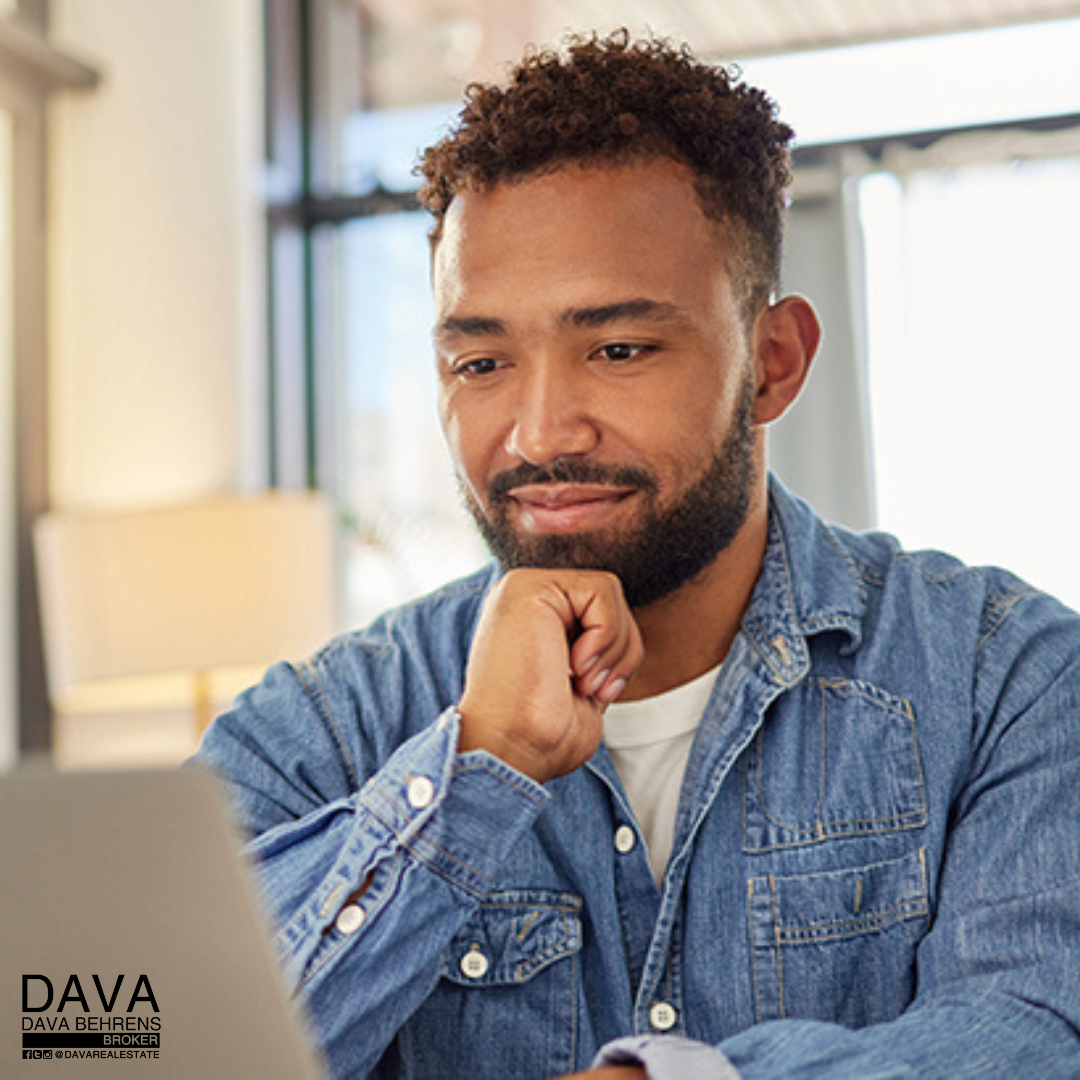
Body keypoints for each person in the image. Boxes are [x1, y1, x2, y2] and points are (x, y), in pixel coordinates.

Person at [194, 30, 1080, 1079]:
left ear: (774, 363)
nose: (538, 434)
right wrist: (474, 774)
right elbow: (148, 1052)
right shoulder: (318, 735)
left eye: (617, 350)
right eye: (480, 361)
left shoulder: (1005, 679)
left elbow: (1035, 1031)